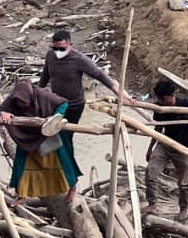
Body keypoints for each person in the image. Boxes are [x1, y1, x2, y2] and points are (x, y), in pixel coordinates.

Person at [39, 29, 128, 159]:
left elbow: (100, 75)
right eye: (55, 48)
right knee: (49, 132)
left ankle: (67, 166)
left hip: (74, 105)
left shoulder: (79, 59)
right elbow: (45, 77)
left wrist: (119, 92)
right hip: (56, 102)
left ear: (70, 45)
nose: (58, 52)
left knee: (66, 135)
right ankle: (53, 162)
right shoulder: (50, 55)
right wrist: (36, 93)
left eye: (62, 49)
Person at [0, 81, 79, 203]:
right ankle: (21, 194)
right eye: (19, 102)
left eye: (24, 101)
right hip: (27, 135)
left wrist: (56, 115)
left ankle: (72, 188)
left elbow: (63, 103)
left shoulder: (43, 95)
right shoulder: (13, 99)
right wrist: (3, 113)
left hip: (48, 132)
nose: (21, 104)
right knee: (22, 164)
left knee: (63, 161)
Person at [146, 79, 188, 219]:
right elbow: (158, 128)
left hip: (183, 148)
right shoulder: (159, 107)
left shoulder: (186, 104)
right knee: (151, 172)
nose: (161, 101)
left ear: (171, 95)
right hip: (165, 143)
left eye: (163, 98)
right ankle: (152, 203)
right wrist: (150, 148)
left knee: (183, 182)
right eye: (159, 99)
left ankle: (184, 208)